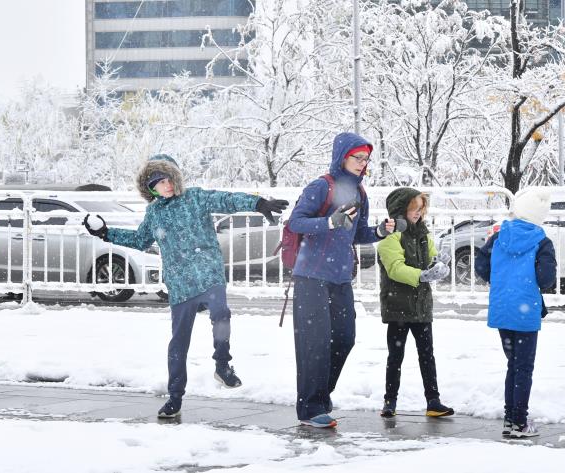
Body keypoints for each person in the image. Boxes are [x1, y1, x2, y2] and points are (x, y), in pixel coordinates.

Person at [83, 154, 288, 418]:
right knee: (179, 343)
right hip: (180, 285)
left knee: (221, 314)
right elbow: (140, 240)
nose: (166, 185)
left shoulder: (195, 198)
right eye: (158, 182)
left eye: (169, 179)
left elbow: (226, 200)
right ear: (150, 188)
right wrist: (105, 233)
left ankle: (223, 365)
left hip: (209, 275)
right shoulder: (154, 213)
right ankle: (175, 398)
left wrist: (258, 202)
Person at [287, 132, 395, 428]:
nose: (362, 164)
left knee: (345, 338)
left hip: (340, 276)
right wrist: (329, 222)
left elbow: (356, 233)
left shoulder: (359, 194)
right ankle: (310, 407)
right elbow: (296, 222)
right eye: (357, 157)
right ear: (342, 157)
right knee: (315, 342)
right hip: (311, 275)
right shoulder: (322, 186)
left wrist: (380, 232)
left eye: (366, 159)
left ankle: (321, 394)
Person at [474, 187, 557, 438]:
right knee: (524, 367)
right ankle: (519, 422)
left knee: (513, 364)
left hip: (502, 308)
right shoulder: (542, 241)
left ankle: (510, 418)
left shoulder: (499, 236)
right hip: (525, 311)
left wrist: (500, 280)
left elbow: (480, 265)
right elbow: (546, 280)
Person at [376, 187, 454, 418]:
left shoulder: (422, 233)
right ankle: (390, 402)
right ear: (401, 209)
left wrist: (437, 263)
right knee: (396, 356)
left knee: (427, 354)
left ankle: (433, 400)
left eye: (421, 208)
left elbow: (429, 258)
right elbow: (395, 268)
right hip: (398, 305)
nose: (418, 213)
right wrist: (421, 276)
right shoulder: (390, 235)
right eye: (414, 209)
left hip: (421, 305)